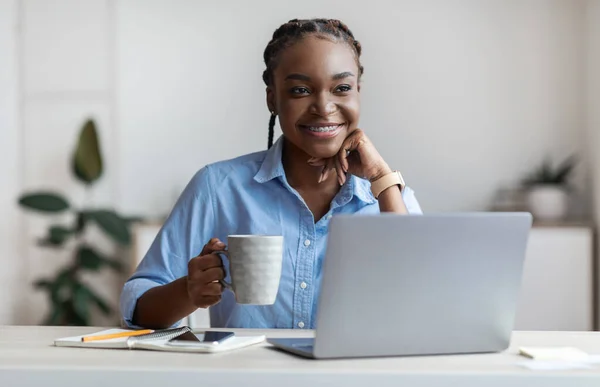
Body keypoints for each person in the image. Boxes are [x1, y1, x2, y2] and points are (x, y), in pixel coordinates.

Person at [120, 18, 423, 330]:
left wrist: (383, 180)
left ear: (358, 93)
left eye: (342, 88)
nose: (323, 106)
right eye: (300, 90)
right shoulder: (218, 188)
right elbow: (138, 308)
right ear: (272, 98)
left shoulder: (392, 199)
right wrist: (188, 292)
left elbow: (422, 303)